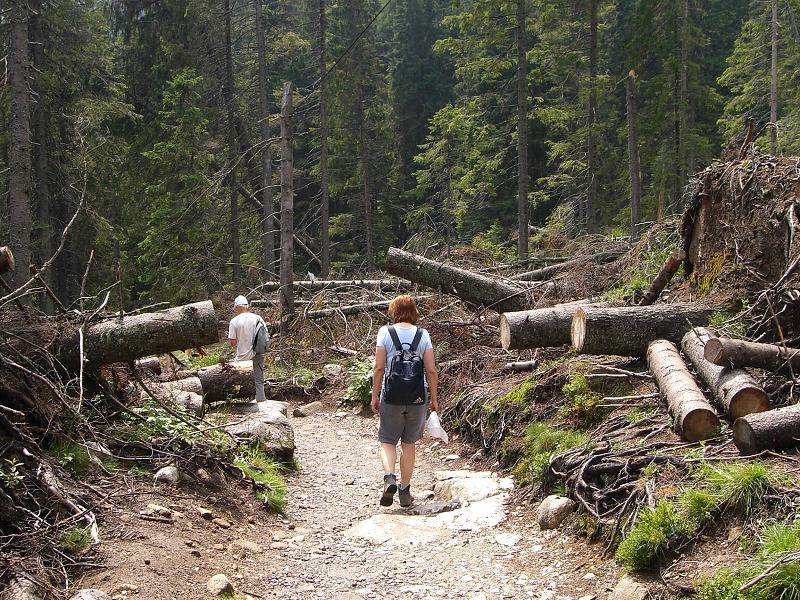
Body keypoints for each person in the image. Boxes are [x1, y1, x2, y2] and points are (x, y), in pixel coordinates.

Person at [371, 295, 438, 508]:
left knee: (388, 440)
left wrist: (374, 395)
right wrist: (434, 399)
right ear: (414, 312)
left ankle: (389, 477)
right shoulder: (423, 335)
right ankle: (405, 492)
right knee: (409, 444)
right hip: (417, 397)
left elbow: (379, 368)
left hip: (391, 395)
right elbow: (431, 370)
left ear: (394, 311)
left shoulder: (385, 333)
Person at [227, 295, 269, 402]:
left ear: (236, 307)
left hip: (242, 358)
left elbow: (232, 343)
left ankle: (245, 404)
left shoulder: (234, 321)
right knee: (258, 381)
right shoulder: (257, 318)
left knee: (241, 382)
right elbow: (265, 336)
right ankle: (261, 402)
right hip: (257, 354)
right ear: (247, 306)